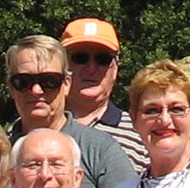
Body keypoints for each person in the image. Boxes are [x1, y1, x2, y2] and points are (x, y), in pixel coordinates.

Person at [7, 34, 133, 188]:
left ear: (66, 84)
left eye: (49, 81)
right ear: (10, 87)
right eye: (23, 82)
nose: (36, 91)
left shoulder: (99, 149)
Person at [59, 16, 145, 173]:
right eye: (80, 58)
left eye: (102, 59)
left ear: (115, 69)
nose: (91, 68)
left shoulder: (140, 132)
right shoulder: (36, 124)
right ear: (62, 66)